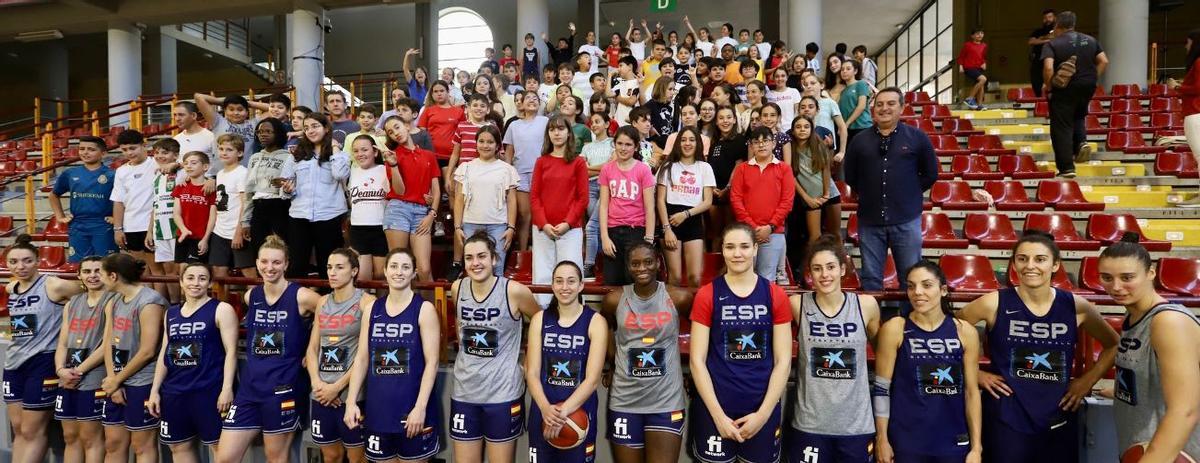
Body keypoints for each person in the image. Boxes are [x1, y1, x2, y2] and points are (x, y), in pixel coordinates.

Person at [956, 232, 1120, 462]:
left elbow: (1114, 344)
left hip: (1058, 412)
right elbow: (946, 337)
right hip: (1007, 414)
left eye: (1040, 259)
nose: (1030, 266)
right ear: (1014, 264)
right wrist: (976, 373)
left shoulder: (1076, 306)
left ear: (1055, 265)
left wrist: (1088, 380)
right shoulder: (992, 302)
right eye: (1022, 259)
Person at [689, 223, 792, 463]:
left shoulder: (775, 295)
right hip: (715, 408)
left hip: (761, 408)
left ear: (756, 249)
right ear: (722, 251)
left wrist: (763, 415)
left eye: (744, 246)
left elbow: (783, 360)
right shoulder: (707, 294)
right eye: (730, 247)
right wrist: (717, 416)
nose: (737, 253)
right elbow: (697, 360)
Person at [217, 236, 321, 463]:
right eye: (264, 262)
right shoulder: (251, 295)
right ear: (256, 263)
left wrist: (314, 348)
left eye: (276, 262)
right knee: (224, 457)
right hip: (250, 388)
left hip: (284, 385)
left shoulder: (301, 296)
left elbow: (330, 312)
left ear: (286, 264)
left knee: (275, 457)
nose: (269, 267)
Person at [1098, 237, 1200, 461]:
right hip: (1139, 444)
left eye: (1127, 277)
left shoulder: (1168, 321)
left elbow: (1186, 410)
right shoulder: (1134, 313)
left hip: (1171, 454)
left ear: (1150, 274)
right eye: (1107, 278)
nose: (1115, 287)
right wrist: (1122, 393)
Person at [873, 261, 982, 463]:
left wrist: (976, 447)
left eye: (926, 285)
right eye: (911, 286)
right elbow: (881, 389)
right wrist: (882, 438)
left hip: (952, 440)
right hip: (906, 441)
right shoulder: (895, 328)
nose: (917, 292)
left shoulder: (965, 331)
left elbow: (971, 392)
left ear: (943, 290)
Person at [786, 236, 881, 462]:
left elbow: (881, 352)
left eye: (830, 267)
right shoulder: (797, 304)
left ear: (842, 269)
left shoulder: (866, 305)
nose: (824, 275)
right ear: (810, 273)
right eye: (817, 269)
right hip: (810, 423)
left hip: (856, 425)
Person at [343, 249, 443, 462]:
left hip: (412, 412)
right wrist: (351, 402)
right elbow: (361, 359)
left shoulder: (424, 309)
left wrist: (420, 408)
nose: (399, 272)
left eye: (405, 267)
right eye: (394, 266)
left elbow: (432, 363)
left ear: (414, 273)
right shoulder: (372, 310)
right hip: (378, 412)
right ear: (385, 272)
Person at [448, 233, 540, 461]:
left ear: (494, 259)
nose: (475, 263)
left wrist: (529, 366)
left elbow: (541, 324)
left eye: (481, 256)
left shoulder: (514, 291)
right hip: (465, 392)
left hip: (502, 394)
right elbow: (462, 330)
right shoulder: (457, 288)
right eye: (469, 258)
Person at [600, 243, 693, 462]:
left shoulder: (678, 297)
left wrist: (695, 371)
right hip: (625, 400)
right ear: (628, 267)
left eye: (648, 262)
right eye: (636, 263)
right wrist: (613, 363)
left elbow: (701, 328)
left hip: (666, 400)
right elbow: (604, 326)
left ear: (658, 263)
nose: (642, 268)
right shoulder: (615, 299)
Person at [843, 88, 938, 290]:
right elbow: (851, 176)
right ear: (872, 110)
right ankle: (873, 321)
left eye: (890, 103)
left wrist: (908, 192)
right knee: (870, 279)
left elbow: (930, 174)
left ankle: (909, 321)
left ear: (902, 107)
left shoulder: (917, 137)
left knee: (911, 279)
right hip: (869, 221)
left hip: (906, 220)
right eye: (879, 104)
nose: (884, 108)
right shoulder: (859, 140)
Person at [146, 262, 239, 461]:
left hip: (209, 390)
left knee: (220, 451)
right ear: (181, 282)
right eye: (190, 278)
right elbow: (165, 352)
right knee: (179, 447)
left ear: (210, 283)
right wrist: (155, 390)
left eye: (202, 278)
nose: (195, 283)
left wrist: (227, 389)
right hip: (174, 391)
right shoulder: (170, 313)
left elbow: (231, 352)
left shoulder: (221, 309)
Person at [5, 236, 85, 463]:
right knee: (19, 428)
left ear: (38, 261)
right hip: (14, 362)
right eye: (14, 262)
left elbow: (89, 293)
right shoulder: (12, 288)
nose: (20, 267)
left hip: (43, 360)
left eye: (27, 261)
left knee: (32, 430)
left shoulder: (53, 284)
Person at [524, 261, 608, 463]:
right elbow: (532, 372)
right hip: (543, 410)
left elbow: (592, 380)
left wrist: (563, 413)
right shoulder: (540, 319)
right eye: (559, 281)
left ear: (580, 286)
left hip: (578, 411)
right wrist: (545, 409)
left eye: (571, 281)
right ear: (552, 285)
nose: (564, 287)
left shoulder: (595, 322)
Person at [301, 250, 373, 463]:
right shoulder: (323, 302)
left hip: (352, 393)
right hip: (322, 393)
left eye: (339, 267)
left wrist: (336, 388)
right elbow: (313, 349)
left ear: (354, 271)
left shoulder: (366, 302)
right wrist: (318, 385)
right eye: (329, 267)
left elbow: (365, 354)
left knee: (357, 458)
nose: (332, 273)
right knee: (330, 455)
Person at [99, 253, 168, 463]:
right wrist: (113, 380)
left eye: (101, 274)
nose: (99, 279)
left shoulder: (150, 302)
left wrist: (117, 380)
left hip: (142, 381)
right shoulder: (113, 301)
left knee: (142, 445)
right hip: (116, 381)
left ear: (113, 276)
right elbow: (108, 342)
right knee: (112, 443)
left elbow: (147, 351)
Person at [53, 256, 110, 463]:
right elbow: (63, 342)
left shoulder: (113, 301)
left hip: (93, 374)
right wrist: (60, 369)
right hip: (67, 375)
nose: (92, 276)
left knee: (91, 437)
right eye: (87, 271)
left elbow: (108, 345)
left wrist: (79, 371)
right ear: (79, 276)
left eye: (98, 271)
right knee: (70, 436)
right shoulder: (73, 303)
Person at [1041, 10, 1108, 177]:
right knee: (1078, 115)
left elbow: (1048, 67)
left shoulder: (1052, 44)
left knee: (1062, 127)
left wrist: (1049, 87)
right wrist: (1092, 78)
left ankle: (1066, 168)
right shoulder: (1091, 40)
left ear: (1058, 25)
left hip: (1064, 89)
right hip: (1087, 86)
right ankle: (1081, 142)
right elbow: (1104, 61)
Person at [530, 115, 589, 305]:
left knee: (571, 272)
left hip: (570, 228)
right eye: (552, 129)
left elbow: (583, 199)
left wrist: (567, 223)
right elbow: (534, 197)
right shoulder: (541, 162)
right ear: (548, 134)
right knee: (542, 273)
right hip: (543, 228)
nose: (557, 133)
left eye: (561, 128)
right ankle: (543, 314)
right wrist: (543, 223)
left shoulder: (578, 162)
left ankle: (574, 313)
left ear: (568, 133)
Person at [284, 113, 351, 278]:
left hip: (329, 215)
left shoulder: (339, 154)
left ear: (326, 128)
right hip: (299, 215)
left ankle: (327, 301)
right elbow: (284, 185)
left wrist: (335, 148)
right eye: (306, 128)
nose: (310, 131)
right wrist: (286, 189)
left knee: (328, 266)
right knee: (297, 265)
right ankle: (297, 301)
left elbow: (340, 174)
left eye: (315, 126)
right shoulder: (296, 154)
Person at [729, 127, 794, 281]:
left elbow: (787, 202)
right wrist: (752, 227)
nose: (761, 145)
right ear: (751, 146)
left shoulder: (784, 169)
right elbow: (736, 199)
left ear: (773, 143)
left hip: (774, 232)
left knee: (766, 280)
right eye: (756, 142)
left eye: (765, 141)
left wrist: (769, 227)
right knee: (743, 278)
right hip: (745, 232)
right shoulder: (742, 169)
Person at [453, 126, 518, 275]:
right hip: (470, 223)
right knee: (473, 269)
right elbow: (459, 200)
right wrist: (457, 227)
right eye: (481, 141)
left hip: (498, 225)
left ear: (497, 146)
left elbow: (512, 200)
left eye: (490, 142)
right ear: (476, 143)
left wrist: (511, 227)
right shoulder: (466, 167)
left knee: (497, 269)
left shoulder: (507, 169)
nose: (485, 145)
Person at [383, 117, 440, 283]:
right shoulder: (393, 156)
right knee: (400, 268)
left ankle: (429, 308)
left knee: (424, 268)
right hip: (398, 209)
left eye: (397, 127)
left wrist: (432, 214)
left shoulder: (428, 155)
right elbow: (399, 191)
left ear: (407, 126)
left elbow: (436, 189)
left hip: (422, 212)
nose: (396, 133)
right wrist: (393, 165)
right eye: (391, 132)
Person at [656, 126, 715, 287]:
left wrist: (686, 214)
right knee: (674, 278)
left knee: (694, 278)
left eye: (691, 140)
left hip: (693, 220)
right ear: (677, 143)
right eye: (683, 140)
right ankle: (672, 312)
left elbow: (708, 201)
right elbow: (660, 200)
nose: (687, 143)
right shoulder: (667, 167)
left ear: (698, 143)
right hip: (670, 221)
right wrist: (666, 229)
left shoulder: (705, 167)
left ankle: (693, 312)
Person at [600, 126, 657, 286]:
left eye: (628, 144)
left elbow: (649, 208)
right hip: (613, 231)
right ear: (614, 144)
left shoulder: (643, 170)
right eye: (619, 143)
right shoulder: (607, 169)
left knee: (633, 281)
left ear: (636, 146)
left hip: (636, 231)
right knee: (612, 282)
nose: (623, 148)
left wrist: (649, 238)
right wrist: (604, 237)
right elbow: (603, 206)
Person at [51, 136, 117, 263]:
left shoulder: (112, 175)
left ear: (103, 153)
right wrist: (60, 216)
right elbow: (53, 195)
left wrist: (117, 218)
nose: (85, 152)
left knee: (106, 265)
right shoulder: (70, 173)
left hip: (103, 225)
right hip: (77, 225)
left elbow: (122, 200)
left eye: (91, 149)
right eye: (82, 149)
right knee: (78, 265)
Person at [503, 92, 550, 251]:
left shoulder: (545, 121)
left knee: (541, 214)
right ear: (520, 104)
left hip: (542, 173)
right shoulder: (513, 125)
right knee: (524, 215)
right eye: (528, 98)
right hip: (520, 174)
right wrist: (507, 173)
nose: (532, 100)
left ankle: (540, 250)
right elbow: (509, 151)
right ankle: (522, 253)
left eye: (535, 98)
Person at [786, 116, 834, 266]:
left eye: (806, 127)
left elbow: (825, 169)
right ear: (792, 131)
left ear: (811, 129)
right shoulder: (789, 148)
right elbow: (790, 176)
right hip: (799, 196)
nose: (802, 130)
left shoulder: (818, 145)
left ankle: (810, 267)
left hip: (816, 197)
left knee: (815, 236)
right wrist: (806, 197)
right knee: (795, 236)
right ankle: (797, 269)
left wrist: (826, 193)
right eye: (798, 127)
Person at [241, 117, 294, 254]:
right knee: (259, 249)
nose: (263, 134)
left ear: (278, 133)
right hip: (258, 207)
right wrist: (245, 221)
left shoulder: (288, 157)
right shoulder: (254, 158)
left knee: (281, 247)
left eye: (268, 131)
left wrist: (283, 184)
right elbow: (249, 191)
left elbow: (291, 186)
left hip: (279, 206)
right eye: (259, 131)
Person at [210, 134, 256, 285]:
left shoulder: (242, 173)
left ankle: (255, 304)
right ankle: (222, 307)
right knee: (218, 272)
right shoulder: (221, 174)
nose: (224, 152)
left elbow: (245, 204)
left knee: (248, 271)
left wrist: (238, 232)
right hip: (220, 230)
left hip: (237, 230)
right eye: (221, 149)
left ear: (240, 153)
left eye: (229, 149)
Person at [110, 130, 159, 272]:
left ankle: (159, 295)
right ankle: (145, 295)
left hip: (152, 225)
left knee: (156, 270)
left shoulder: (156, 163)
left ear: (144, 145)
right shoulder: (121, 171)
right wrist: (118, 229)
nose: (129, 153)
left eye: (133, 148)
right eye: (124, 150)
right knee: (141, 270)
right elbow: (118, 201)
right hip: (131, 226)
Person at [144, 138, 183, 302]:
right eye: (157, 152)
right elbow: (155, 204)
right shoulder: (156, 175)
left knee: (179, 269)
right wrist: (150, 230)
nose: (160, 156)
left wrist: (177, 165)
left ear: (176, 155)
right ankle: (174, 305)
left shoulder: (181, 172)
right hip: (161, 227)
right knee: (168, 269)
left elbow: (192, 165)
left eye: (165, 152)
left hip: (177, 227)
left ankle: (185, 303)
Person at [706, 106, 745, 251]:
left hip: (731, 193)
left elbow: (739, 165)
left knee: (730, 233)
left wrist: (727, 188)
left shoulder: (740, 140)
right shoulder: (714, 141)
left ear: (734, 120)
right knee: (716, 233)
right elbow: (710, 167)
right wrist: (712, 188)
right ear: (716, 122)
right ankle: (714, 270)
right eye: (721, 118)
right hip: (714, 192)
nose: (725, 121)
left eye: (729, 117)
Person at [582, 112, 615, 279]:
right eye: (591, 122)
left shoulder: (613, 144)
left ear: (607, 124)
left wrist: (592, 168)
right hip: (589, 187)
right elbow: (581, 172)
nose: (593, 125)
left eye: (597, 121)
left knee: (591, 226)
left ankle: (589, 265)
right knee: (600, 225)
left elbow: (612, 167)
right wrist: (603, 167)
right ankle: (604, 260)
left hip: (606, 187)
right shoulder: (587, 147)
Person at [1169, 29, 1200, 207]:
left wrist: (1178, 87)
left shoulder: (1198, 61)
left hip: (1195, 113)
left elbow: (1198, 88)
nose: (1186, 46)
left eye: (1188, 42)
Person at [172, 151, 217, 264]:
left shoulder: (211, 189)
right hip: (182, 235)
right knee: (181, 270)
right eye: (186, 163)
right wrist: (183, 230)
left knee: (194, 269)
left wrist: (205, 239)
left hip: (200, 237)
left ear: (205, 167)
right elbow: (176, 213)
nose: (188, 166)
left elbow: (213, 217)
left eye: (193, 163)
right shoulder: (180, 187)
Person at [838, 60, 873, 141]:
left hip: (862, 127)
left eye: (848, 69)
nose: (844, 71)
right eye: (842, 69)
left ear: (855, 71)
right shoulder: (843, 91)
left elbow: (861, 106)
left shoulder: (861, 83)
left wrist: (846, 124)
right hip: (849, 129)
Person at [1028, 9, 1057, 98]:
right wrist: (1048, 39)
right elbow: (1031, 41)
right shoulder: (1038, 31)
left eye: (1050, 17)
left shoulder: (1059, 30)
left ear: (1055, 18)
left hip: (1055, 61)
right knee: (1036, 82)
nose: (1047, 19)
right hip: (1038, 61)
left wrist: (1041, 39)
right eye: (1045, 18)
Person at [958, 29, 989, 110]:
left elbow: (983, 56)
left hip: (979, 68)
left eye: (982, 33)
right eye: (977, 33)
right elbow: (962, 56)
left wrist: (984, 62)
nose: (980, 35)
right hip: (969, 67)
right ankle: (970, 98)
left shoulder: (984, 45)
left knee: (981, 85)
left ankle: (979, 105)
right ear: (972, 36)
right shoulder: (967, 45)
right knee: (983, 79)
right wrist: (960, 66)